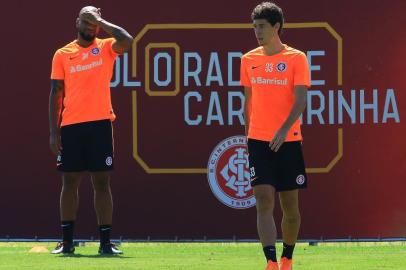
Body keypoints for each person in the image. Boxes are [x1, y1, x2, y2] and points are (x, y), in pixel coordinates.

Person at [49, 6, 133, 255]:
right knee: (69, 182)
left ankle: (105, 244)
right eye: (85, 20)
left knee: (102, 182)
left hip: (100, 124)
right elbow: (56, 93)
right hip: (72, 126)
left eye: (92, 22)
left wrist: (100, 21)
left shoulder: (107, 47)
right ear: (76, 22)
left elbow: (127, 40)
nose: (89, 25)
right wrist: (54, 132)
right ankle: (67, 243)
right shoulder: (62, 54)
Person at [240, 2, 310, 270]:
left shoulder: (297, 58)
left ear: (276, 27)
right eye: (255, 27)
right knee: (263, 201)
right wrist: (248, 137)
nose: (257, 32)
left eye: (262, 27)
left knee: (290, 208)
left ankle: (287, 257)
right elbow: (248, 102)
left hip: (288, 140)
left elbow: (301, 100)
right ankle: (270, 261)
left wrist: (283, 129)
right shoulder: (248, 59)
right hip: (258, 141)